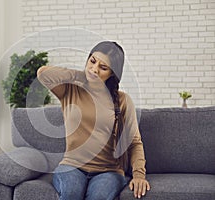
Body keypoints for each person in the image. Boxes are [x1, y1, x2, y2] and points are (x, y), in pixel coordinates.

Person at [37, 41, 150, 200]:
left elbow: (134, 142)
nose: (95, 68)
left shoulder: (122, 100)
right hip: (71, 166)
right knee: (71, 194)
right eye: (92, 61)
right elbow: (43, 74)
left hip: (108, 171)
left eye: (103, 67)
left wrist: (139, 175)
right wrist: (82, 74)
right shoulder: (70, 89)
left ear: (113, 73)